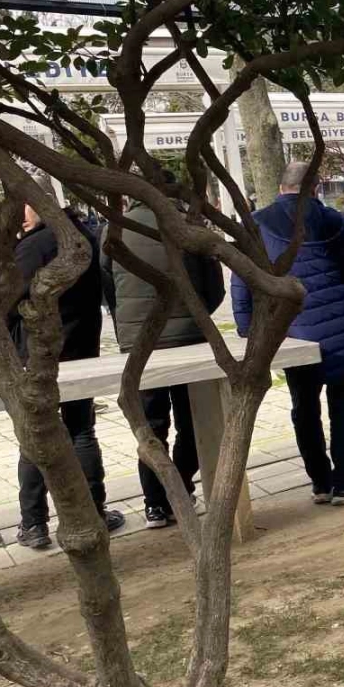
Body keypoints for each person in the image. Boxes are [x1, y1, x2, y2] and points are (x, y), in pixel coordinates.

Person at [233, 162, 344, 506]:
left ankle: (320, 481)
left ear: (281, 186)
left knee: (304, 408)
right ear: (316, 188)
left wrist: (247, 328)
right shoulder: (343, 225)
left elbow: (241, 283)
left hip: (293, 334)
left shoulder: (256, 225)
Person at [101, 187, 227, 528]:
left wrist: (127, 323)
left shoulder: (115, 228)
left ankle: (155, 503)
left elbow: (108, 286)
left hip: (140, 342)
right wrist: (196, 314)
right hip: (188, 337)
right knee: (193, 420)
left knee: (150, 426)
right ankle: (180, 489)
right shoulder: (187, 226)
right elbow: (215, 288)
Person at [11, 204, 124, 549]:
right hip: (82, 347)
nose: (20, 217)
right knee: (81, 430)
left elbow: (9, 298)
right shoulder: (84, 237)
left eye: (27, 208)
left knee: (36, 434)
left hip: (40, 352)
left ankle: (34, 522)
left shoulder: (35, 245)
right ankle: (94, 511)